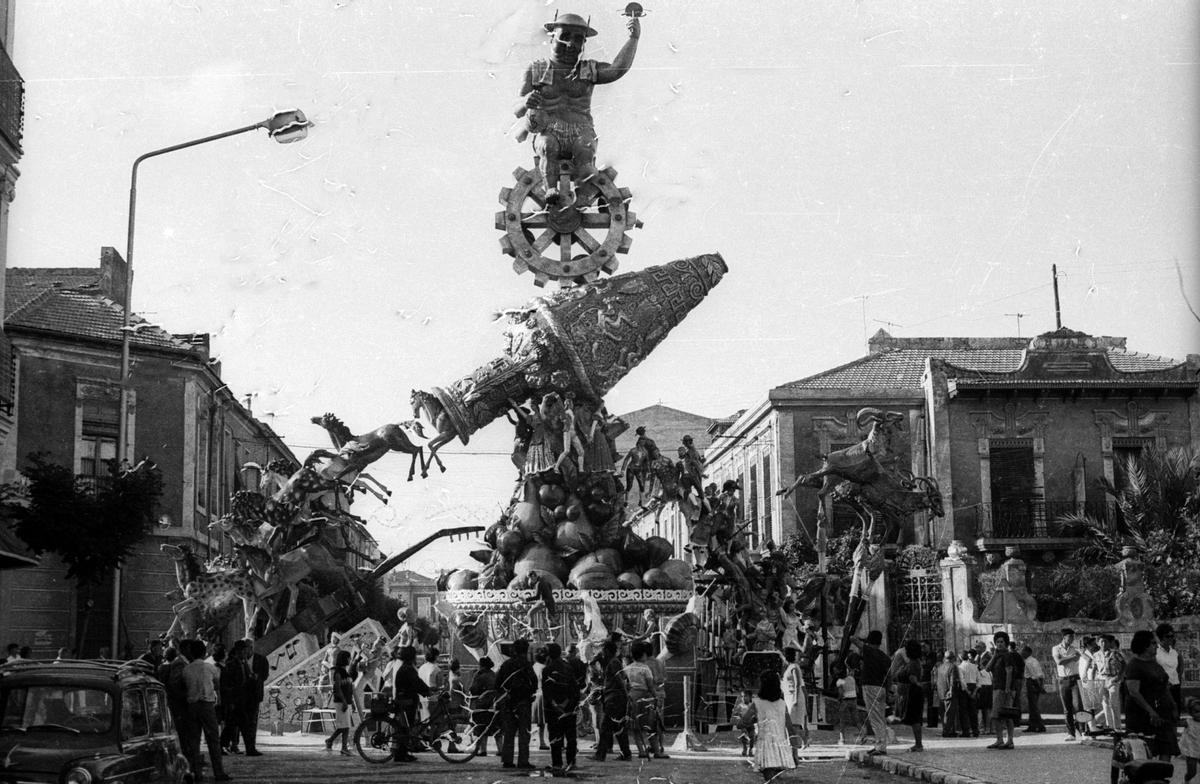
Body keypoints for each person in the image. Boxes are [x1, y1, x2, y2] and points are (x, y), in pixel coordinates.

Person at [514, 10, 641, 205]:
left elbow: (617, 70)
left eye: (578, 39)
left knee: (585, 149)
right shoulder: (537, 70)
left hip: (581, 129)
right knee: (548, 145)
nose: (571, 44)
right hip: (549, 130)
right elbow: (517, 108)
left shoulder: (588, 70)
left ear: (583, 44)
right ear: (551, 38)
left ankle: (583, 200)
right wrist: (526, 102)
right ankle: (550, 189)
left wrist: (633, 38)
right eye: (565, 37)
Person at [1125, 628, 1179, 761]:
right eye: (1153, 643)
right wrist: (1151, 712)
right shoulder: (1134, 665)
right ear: (1144, 646)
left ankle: (1160, 777)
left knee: (1166, 747)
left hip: (1162, 712)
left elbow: (1164, 686)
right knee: (1144, 752)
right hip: (1142, 715)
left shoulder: (1155, 664)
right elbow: (1134, 692)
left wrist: (1173, 705)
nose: (1156, 646)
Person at [182, 640, 231, 782]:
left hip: (192, 706)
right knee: (213, 740)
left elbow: (184, 685)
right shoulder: (210, 668)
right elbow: (217, 683)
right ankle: (219, 772)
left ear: (191, 653)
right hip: (207, 705)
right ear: (204, 653)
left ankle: (197, 773)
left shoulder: (187, 669)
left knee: (194, 741)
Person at [748, 671, 798, 781]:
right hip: (781, 747)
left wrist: (754, 720)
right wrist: (795, 753)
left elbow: (743, 722)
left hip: (765, 747)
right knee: (776, 778)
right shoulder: (782, 703)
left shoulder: (756, 703)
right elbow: (790, 729)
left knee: (769, 778)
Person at [497, 639, 538, 770]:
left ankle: (507, 760)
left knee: (509, 732)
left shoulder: (506, 664)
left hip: (509, 703)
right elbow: (534, 682)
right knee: (524, 733)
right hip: (524, 703)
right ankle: (523, 761)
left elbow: (497, 684)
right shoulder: (526, 665)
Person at [541, 642, 579, 775]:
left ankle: (557, 763)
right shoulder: (568, 667)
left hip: (553, 709)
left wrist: (556, 705)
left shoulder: (547, 669)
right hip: (568, 706)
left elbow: (547, 691)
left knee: (555, 736)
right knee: (570, 735)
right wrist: (566, 703)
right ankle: (571, 761)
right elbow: (574, 688)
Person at [593, 647, 632, 761]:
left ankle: (600, 754)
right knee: (619, 726)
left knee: (605, 727)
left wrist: (625, 693)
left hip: (615, 698)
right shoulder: (613, 662)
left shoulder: (613, 662)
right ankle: (626, 753)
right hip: (614, 697)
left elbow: (619, 678)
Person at [392, 645, 430, 763]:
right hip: (407, 701)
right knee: (405, 727)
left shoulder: (404, 667)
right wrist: (427, 691)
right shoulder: (408, 669)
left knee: (406, 727)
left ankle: (403, 753)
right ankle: (400, 754)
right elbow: (416, 683)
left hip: (405, 699)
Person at [859, 630, 890, 756]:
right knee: (880, 717)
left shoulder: (868, 650)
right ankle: (880, 743)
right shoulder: (885, 657)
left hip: (870, 687)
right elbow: (889, 675)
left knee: (875, 718)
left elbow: (852, 639)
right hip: (881, 687)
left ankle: (880, 746)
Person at [986, 631, 1019, 750]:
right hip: (996, 688)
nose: (999, 644)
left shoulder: (1007, 655)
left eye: (1002, 642)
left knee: (1007, 714)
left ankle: (1010, 740)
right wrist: (994, 655)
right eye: (997, 642)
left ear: (1006, 643)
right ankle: (999, 739)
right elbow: (987, 668)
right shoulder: (997, 656)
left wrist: (1007, 688)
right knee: (996, 715)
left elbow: (1009, 671)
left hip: (1004, 689)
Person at [1051, 627, 1083, 740]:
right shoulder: (1056, 648)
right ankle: (1071, 733)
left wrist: (1067, 658)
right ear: (1064, 637)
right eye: (1070, 637)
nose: (1072, 639)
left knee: (1078, 706)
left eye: (1073, 637)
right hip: (1063, 680)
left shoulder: (1075, 649)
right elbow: (1059, 662)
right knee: (1067, 708)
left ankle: (1082, 731)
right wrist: (1072, 658)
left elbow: (1065, 660)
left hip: (1075, 678)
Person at [323, 650, 357, 756]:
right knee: (345, 726)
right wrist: (344, 701)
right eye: (348, 658)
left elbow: (349, 689)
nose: (349, 660)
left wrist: (352, 702)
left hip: (347, 701)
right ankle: (344, 748)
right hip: (341, 702)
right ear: (344, 659)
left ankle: (330, 740)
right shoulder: (337, 672)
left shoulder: (345, 672)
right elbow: (337, 688)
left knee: (343, 725)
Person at [220, 639, 249, 755]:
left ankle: (226, 745)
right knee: (233, 725)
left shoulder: (241, 663)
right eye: (244, 650)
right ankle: (223, 744)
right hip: (234, 700)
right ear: (239, 651)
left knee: (233, 725)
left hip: (240, 699)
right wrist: (231, 701)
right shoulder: (231, 664)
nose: (245, 653)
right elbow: (228, 684)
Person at [241, 640, 268, 756]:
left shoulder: (261, 659)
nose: (244, 651)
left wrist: (257, 677)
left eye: (246, 648)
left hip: (254, 695)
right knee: (242, 722)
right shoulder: (240, 660)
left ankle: (251, 747)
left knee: (252, 722)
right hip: (241, 695)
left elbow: (265, 674)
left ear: (251, 648)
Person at [468, 656, 499, 757]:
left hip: (482, 704)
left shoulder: (480, 676)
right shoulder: (493, 674)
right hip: (493, 704)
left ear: (481, 665)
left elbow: (473, 689)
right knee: (495, 727)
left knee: (481, 727)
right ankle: (500, 748)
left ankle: (483, 750)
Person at [781, 647, 810, 749]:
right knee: (790, 723)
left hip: (795, 697)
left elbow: (797, 684)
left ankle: (803, 740)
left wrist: (795, 699)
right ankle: (795, 742)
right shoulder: (788, 668)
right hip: (789, 697)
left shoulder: (794, 667)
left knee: (794, 724)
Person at [900, 641, 926, 752]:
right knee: (916, 718)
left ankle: (918, 744)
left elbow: (912, 678)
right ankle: (918, 743)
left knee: (915, 718)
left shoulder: (912, 664)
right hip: (916, 691)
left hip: (913, 692)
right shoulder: (917, 662)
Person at [1154, 623, 1183, 718]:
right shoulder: (1155, 652)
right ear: (1161, 637)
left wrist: (1178, 679)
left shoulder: (1174, 652)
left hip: (1175, 687)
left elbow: (1179, 668)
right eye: (1168, 636)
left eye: (1172, 636)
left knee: (1175, 716)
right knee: (1164, 717)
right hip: (1162, 689)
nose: (1171, 638)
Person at [1099, 635, 1125, 733]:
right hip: (1101, 679)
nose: (1103, 644)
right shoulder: (1096, 654)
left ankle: (1117, 727)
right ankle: (1109, 726)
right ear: (1098, 643)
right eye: (1101, 642)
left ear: (1109, 643)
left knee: (1114, 703)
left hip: (1113, 678)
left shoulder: (1115, 653)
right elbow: (1094, 667)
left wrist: (1119, 677)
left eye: (1105, 642)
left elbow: (1124, 664)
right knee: (1105, 704)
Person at [1020, 646, 1046, 733]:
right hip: (1036, 683)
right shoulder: (1035, 660)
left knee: (1033, 706)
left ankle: (1040, 725)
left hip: (1032, 683)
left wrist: (1039, 687)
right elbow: (1041, 675)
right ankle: (1032, 725)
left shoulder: (1028, 662)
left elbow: (1034, 676)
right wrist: (1041, 686)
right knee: (1032, 706)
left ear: (1028, 652)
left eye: (1023, 651)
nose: (1022, 653)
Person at [957, 648, 980, 737]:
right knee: (973, 711)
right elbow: (979, 681)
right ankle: (975, 730)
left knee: (964, 711)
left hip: (964, 690)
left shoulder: (960, 667)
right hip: (973, 687)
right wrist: (974, 692)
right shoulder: (974, 666)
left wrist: (967, 691)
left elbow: (962, 681)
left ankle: (965, 731)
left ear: (960, 657)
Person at [417, 647, 444, 720]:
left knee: (425, 721)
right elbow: (440, 685)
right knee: (434, 722)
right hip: (433, 699)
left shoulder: (421, 668)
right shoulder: (437, 669)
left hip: (421, 698)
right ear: (435, 656)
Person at [1179, 696, 1200, 784]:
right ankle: (1187, 780)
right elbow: (1175, 723)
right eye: (1196, 712)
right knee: (1192, 772)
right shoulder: (1188, 722)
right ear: (1190, 713)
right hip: (1191, 750)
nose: (1199, 714)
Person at [532, 646, 549, 751]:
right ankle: (543, 741)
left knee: (540, 722)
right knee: (544, 721)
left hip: (536, 694)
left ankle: (542, 740)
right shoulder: (544, 668)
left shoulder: (534, 666)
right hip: (543, 694)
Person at [732, 689, 756, 757]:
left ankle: (751, 749)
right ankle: (745, 748)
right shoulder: (740, 706)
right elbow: (736, 715)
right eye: (743, 696)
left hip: (751, 724)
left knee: (752, 736)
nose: (744, 698)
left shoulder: (752, 705)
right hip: (743, 724)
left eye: (746, 696)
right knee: (744, 736)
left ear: (750, 697)